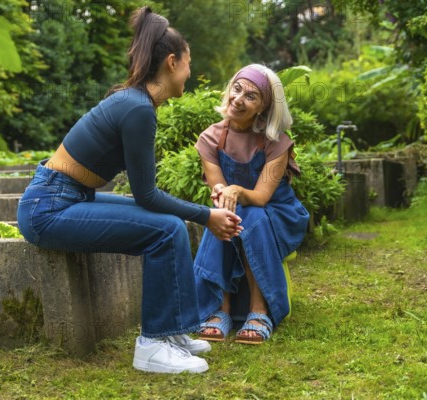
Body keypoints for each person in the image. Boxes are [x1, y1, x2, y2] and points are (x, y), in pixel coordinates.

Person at [17, 7, 242, 373]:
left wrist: (196, 214)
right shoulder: (137, 108)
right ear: (172, 62)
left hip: (64, 197)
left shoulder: (137, 103)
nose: (190, 72)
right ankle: (152, 346)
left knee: (170, 225)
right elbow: (147, 196)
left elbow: (144, 195)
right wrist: (207, 216)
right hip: (49, 209)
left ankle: (172, 331)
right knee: (167, 228)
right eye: (189, 63)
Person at [194, 64, 309, 344]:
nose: (238, 99)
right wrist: (224, 193)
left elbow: (261, 196)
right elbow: (217, 186)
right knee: (222, 214)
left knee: (252, 215)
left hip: (277, 212)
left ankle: (260, 311)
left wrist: (234, 191)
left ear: (263, 107)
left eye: (251, 96)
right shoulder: (210, 138)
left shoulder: (275, 142)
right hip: (237, 207)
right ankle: (220, 309)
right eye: (236, 89)